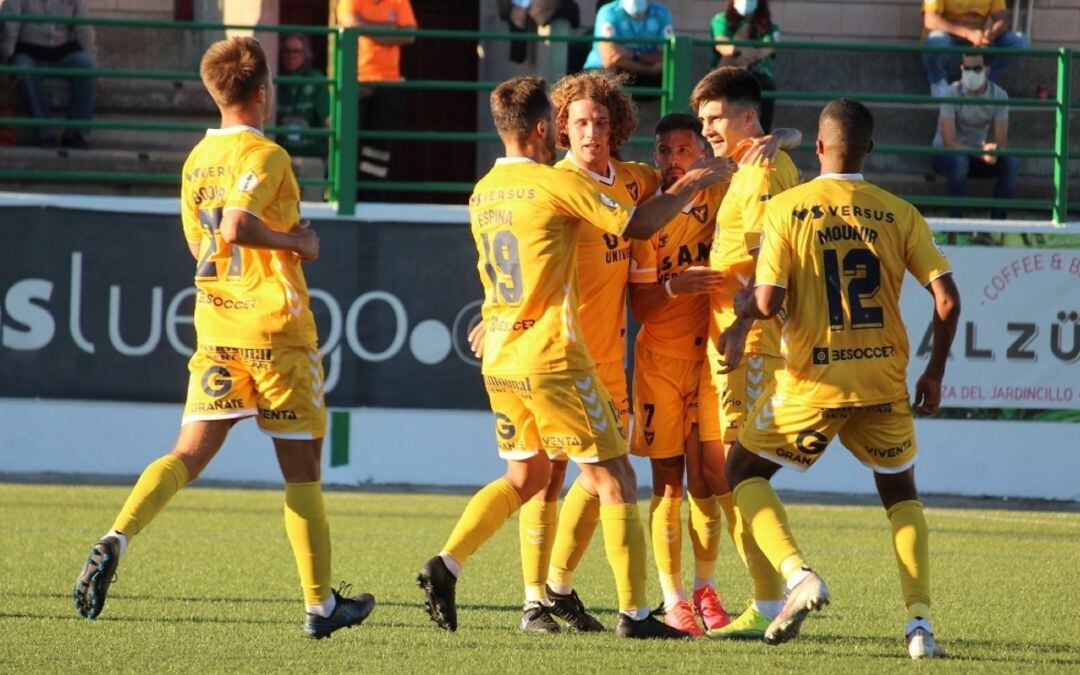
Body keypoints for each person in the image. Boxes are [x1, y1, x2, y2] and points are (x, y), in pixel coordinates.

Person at [72, 36, 376, 640]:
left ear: (215, 92)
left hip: (216, 327)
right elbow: (237, 226)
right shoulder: (266, 155)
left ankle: (116, 537)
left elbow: (200, 243)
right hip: (275, 332)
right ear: (263, 90)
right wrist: (298, 244)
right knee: (303, 472)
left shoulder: (195, 162)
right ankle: (319, 607)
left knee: (187, 454)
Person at [417, 74, 732, 640]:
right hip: (560, 356)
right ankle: (578, 605)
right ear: (554, 127)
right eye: (578, 122)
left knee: (541, 475)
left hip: (580, 357)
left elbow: (509, 258)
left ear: (616, 127)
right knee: (592, 477)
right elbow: (633, 222)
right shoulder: (557, 183)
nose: (590, 132)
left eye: (601, 122)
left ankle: (507, 576)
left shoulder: (617, 180)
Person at [725, 98, 961, 659]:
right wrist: (934, 372)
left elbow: (768, 299)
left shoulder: (787, 208)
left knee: (741, 469)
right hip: (883, 382)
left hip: (812, 384)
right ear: (870, 150)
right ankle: (919, 625)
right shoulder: (899, 211)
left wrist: (741, 304)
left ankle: (797, 574)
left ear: (819, 149)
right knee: (902, 498)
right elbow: (948, 300)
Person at [691, 65, 801, 640]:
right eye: (703, 118)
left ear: (748, 117)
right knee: (735, 472)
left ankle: (778, 589)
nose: (707, 128)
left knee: (740, 472)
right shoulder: (759, 162)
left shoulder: (758, 171)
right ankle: (774, 591)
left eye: (715, 118)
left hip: (752, 342)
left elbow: (764, 259)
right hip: (745, 338)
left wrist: (738, 325)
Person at [626, 112, 728, 636]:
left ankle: (707, 588)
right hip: (660, 363)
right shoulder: (648, 215)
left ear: (703, 152)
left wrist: (775, 138)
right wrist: (674, 287)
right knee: (668, 482)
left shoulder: (723, 193)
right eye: (663, 151)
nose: (669, 161)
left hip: (710, 361)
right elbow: (640, 307)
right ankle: (673, 599)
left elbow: (774, 148)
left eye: (681, 150)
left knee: (708, 482)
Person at [336, 0, 417, 198]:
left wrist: (366, 27)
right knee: (348, 142)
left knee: (379, 147)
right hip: (356, 80)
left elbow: (409, 34)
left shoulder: (399, 1)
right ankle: (345, 197)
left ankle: (371, 198)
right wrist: (389, 29)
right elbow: (350, 23)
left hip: (390, 84)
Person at [930, 52, 1017, 220]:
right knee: (959, 161)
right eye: (966, 68)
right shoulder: (951, 93)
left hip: (978, 155)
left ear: (987, 70)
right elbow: (948, 142)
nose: (970, 73)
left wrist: (994, 150)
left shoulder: (999, 95)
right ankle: (955, 225)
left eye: (976, 68)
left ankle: (997, 226)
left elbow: (1001, 141)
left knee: (1011, 164)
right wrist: (981, 153)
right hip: (946, 156)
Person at [0, 0, 96, 147]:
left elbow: (84, 27)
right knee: (23, 70)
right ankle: (45, 133)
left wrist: (91, 57)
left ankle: (76, 133)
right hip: (28, 50)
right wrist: (7, 57)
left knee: (87, 67)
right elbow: (10, 24)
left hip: (62, 51)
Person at [921, 0, 1029, 97]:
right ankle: (939, 82)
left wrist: (991, 34)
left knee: (1020, 42)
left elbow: (1003, 19)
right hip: (950, 50)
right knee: (935, 40)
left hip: (978, 49)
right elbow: (930, 20)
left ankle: (983, 82)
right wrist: (968, 34)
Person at [711, 0, 780, 132]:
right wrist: (742, 51)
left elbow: (769, 48)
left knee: (768, 89)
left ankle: (763, 138)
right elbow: (722, 43)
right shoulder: (721, 20)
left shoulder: (770, 26)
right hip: (729, 71)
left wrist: (744, 53)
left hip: (758, 75)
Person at [582, 1, 673, 87]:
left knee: (674, 74)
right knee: (608, 76)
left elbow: (665, 55)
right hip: (609, 73)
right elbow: (610, 59)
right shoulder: (608, 12)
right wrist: (649, 69)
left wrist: (632, 55)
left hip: (647, 76)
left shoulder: (662, 13)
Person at [275, 33, 330, 159]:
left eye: (297, 51)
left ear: (305, 54)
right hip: (280, 156)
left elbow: (328, 120)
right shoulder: (272, 79)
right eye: (286, 51)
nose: (291, 56)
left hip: (312, 154)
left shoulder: (316, 79)